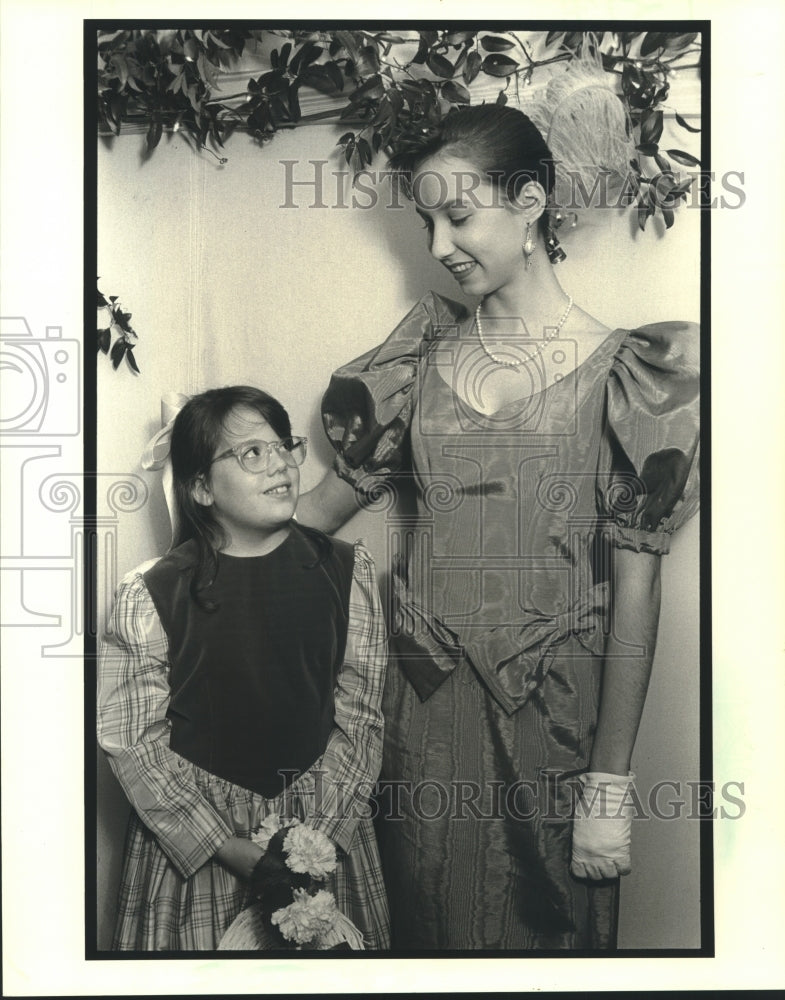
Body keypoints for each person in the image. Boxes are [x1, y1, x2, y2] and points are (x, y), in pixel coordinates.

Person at [296, 104, 699, 950]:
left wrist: (609, 784)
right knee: (426, 934)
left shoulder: (632, 376)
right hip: (423, 712)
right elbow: (318, 520)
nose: (438, 244)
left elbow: (636, 586)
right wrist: (196, 563)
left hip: (554, 716)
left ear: (528, 201)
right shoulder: (417, 364)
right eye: (425, 221)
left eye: (457, 214)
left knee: (549, 945)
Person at [97, 385, 391, 950]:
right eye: (251, 453)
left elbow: (362, 715)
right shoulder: (151, 592)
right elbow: (135, 743)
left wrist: (316, 840)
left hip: (322, 820)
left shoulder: (348, 572)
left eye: (283, 445)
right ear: (202, 487)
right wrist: (239, 853)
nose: (279, 463)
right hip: (204, 842)